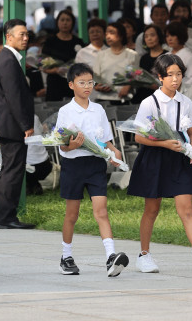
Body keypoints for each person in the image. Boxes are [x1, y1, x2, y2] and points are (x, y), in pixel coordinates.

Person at [127, 53, 192, 275]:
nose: (176, 79)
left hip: (180, 157)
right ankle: (144, 255)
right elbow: (138, 137)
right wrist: (166, 144)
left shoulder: (185, 101)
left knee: (186, 209)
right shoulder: (149, 102)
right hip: (155, 158)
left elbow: (191, 132)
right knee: (152, 208)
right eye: (170, 75)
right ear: (160, 77)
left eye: (179, 74)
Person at [55, 63, 129, 277]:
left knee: (102, 211)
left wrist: (115, 154)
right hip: (73, 165)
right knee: (72, 215)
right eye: (82, 83)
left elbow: (106, 141)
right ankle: (66, 256)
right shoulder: (65, 111)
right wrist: (74, 145)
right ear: (71, 85)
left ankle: (111, 257)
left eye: (90, 82)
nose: (87, 86)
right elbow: (62, 145)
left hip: (96, 165)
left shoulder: (98, 109)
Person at [0, 19, 35, 229]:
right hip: (11, 124)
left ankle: (5, 216)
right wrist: (25, 124)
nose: (25, 38)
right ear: (9, 37)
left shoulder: (6, 58)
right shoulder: (8, 60)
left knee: (11, 169)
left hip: (7, 123)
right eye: (21, 35)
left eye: (27, 35)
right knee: (12, 170)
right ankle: (6, 217)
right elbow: (14, 97)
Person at [42, 9, 84, 101]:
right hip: (54, 83)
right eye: (62, 20)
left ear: (73, 23)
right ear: (57, 22)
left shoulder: (78, 42)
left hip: (74, 83)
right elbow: (42, 65)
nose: (65, 23)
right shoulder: (50, 41)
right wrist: (56, 70)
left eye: (68, 20)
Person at [93, 22, 138, 102]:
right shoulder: (101, 55)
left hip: (125, 99)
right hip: (103, 99)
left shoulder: (132, 55)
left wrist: (128, 86)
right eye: (106, 33)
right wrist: (97, 86)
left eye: (112, 32)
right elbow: (95, 78)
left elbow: (136, 77)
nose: (108, 36)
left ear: (121, 35)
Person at [132, 25, 166, 104]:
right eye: (146, 36)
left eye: (152, 35)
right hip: (144, 98)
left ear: (159, 37)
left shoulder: (166, 56)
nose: (149, 39)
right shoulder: (143, 58)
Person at [165, 21, 192, 86]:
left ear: (180, 35)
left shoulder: (190, 56)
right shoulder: (165, 56)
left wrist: (179, 88)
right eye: (167, 36)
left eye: (173, 35)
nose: (169, 39)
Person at [26, 115, 52, 195]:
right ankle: (34, 185)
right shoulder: (35, 117)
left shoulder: (9, 119)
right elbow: (42, 130)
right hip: (45, 164)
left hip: (26, 167)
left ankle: (29, 186)